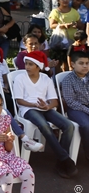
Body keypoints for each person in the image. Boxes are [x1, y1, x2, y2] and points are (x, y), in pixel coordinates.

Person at [13, 50, 78, 178]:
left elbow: (54, 101)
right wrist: (34, 105)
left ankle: (61, 161)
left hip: (45, 108)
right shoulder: (20, 78)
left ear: (38, 66)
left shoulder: (45, 79)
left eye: (30, 64)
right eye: (26, 63)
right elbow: (19, 100)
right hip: (28, 109)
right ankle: (65, 159)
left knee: (69, 125)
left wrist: (47, 106)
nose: (26, 67)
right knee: (44, 125)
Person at [61, 51, 89, 160]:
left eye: (87, 63)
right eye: (81, 63)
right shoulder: (68, 80)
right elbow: (70, 101)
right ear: (73, 64)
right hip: (76, 109)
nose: (85, 66)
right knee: (86, 125)